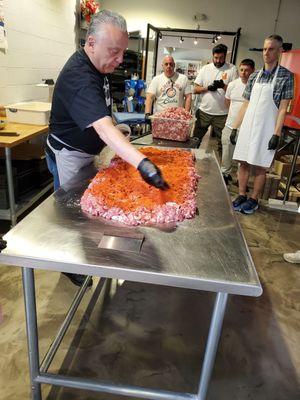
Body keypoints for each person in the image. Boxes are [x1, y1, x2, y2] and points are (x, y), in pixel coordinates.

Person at [45, 10, 169, 286]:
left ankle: (89, 255)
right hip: (69, 154)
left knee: (90, 209)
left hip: (87, 152)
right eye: (114, 51)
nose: (120, 59)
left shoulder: (99, 67)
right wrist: (143, 164)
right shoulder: (79, 75)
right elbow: (101, 127)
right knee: (74, 214)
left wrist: (117, 127)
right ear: (91, 43)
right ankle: (70, 264)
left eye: (122, 52)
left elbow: (103, 113)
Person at [231, 35, 294, 214]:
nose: (266, 53)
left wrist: (276, 133)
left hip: (267, 128)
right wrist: (236, 127)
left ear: (280, 51)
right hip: (248, 126)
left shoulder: (286, 76)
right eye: (265, 49)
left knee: (260, 166)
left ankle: (254, 198)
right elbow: (245, 104)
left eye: (271, 49)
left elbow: (282, 109)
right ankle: (242, 194)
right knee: (243, 162)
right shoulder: (254, 76)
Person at [193, 44, 238, 147]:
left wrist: (223, 86)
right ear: (212, 56)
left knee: (223, 144)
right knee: (195, 140)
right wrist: (207, 88)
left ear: (225, 56)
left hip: (223, 114)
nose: (218, 61)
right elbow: (195, 89)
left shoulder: (232, 69)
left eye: (221, 58)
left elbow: (235, 92)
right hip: (204, 112)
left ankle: (223, 163)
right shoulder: (205, 69)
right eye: (216, 58)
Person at [221, 59, 255, 184]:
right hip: (230, 125)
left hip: (247, 128)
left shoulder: (255, 87)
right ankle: (225, 173)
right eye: (241, 70)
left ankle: (240, 180)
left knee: (243, 155)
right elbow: (227, 101)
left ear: (252, 71)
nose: (243, 73)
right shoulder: (232, 85)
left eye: (247, 70)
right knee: (226, 151)